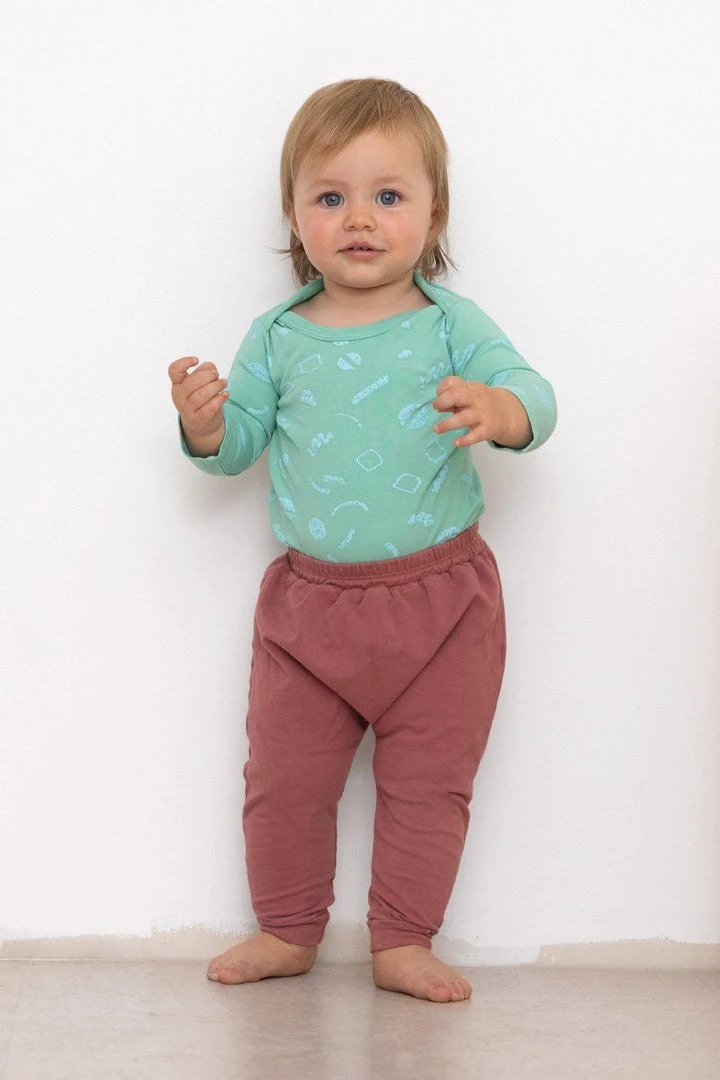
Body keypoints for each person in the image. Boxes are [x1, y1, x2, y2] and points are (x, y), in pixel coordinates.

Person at [168, 78, 557, 1003]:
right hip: (309, 613)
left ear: (434, 212)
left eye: (388, 195)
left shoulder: (451, 325)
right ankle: (286, 927)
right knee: (283, 780)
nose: (359, 219)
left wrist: (499, 409)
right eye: (330, 196)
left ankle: (404, 940)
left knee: (431, 783)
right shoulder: (278, 335)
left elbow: (535, 398)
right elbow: (241, 448)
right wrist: (209, 426)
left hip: (445, 607)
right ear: (294, 215)